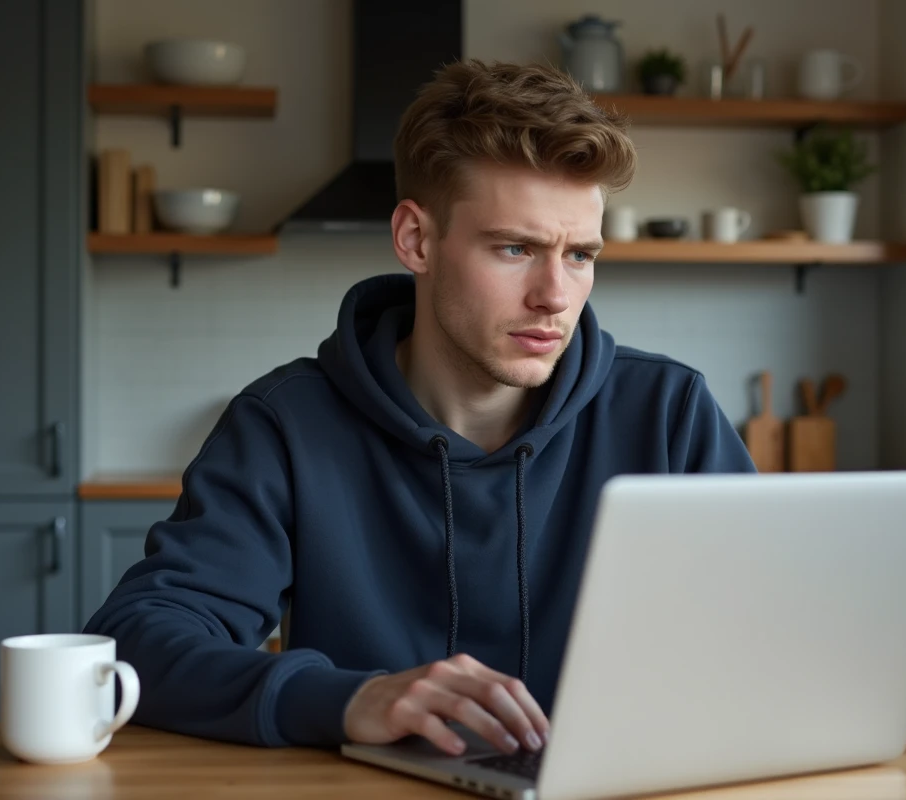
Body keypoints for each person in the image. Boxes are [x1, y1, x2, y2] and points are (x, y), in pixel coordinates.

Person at [84, 59, 756, 760]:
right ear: (416, 240)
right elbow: (137, 643)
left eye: (580, 254)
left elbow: (782, 630)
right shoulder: (285, 425)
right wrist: (349, 698)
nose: (555, 295)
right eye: (515, 248)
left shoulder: (669, 413)